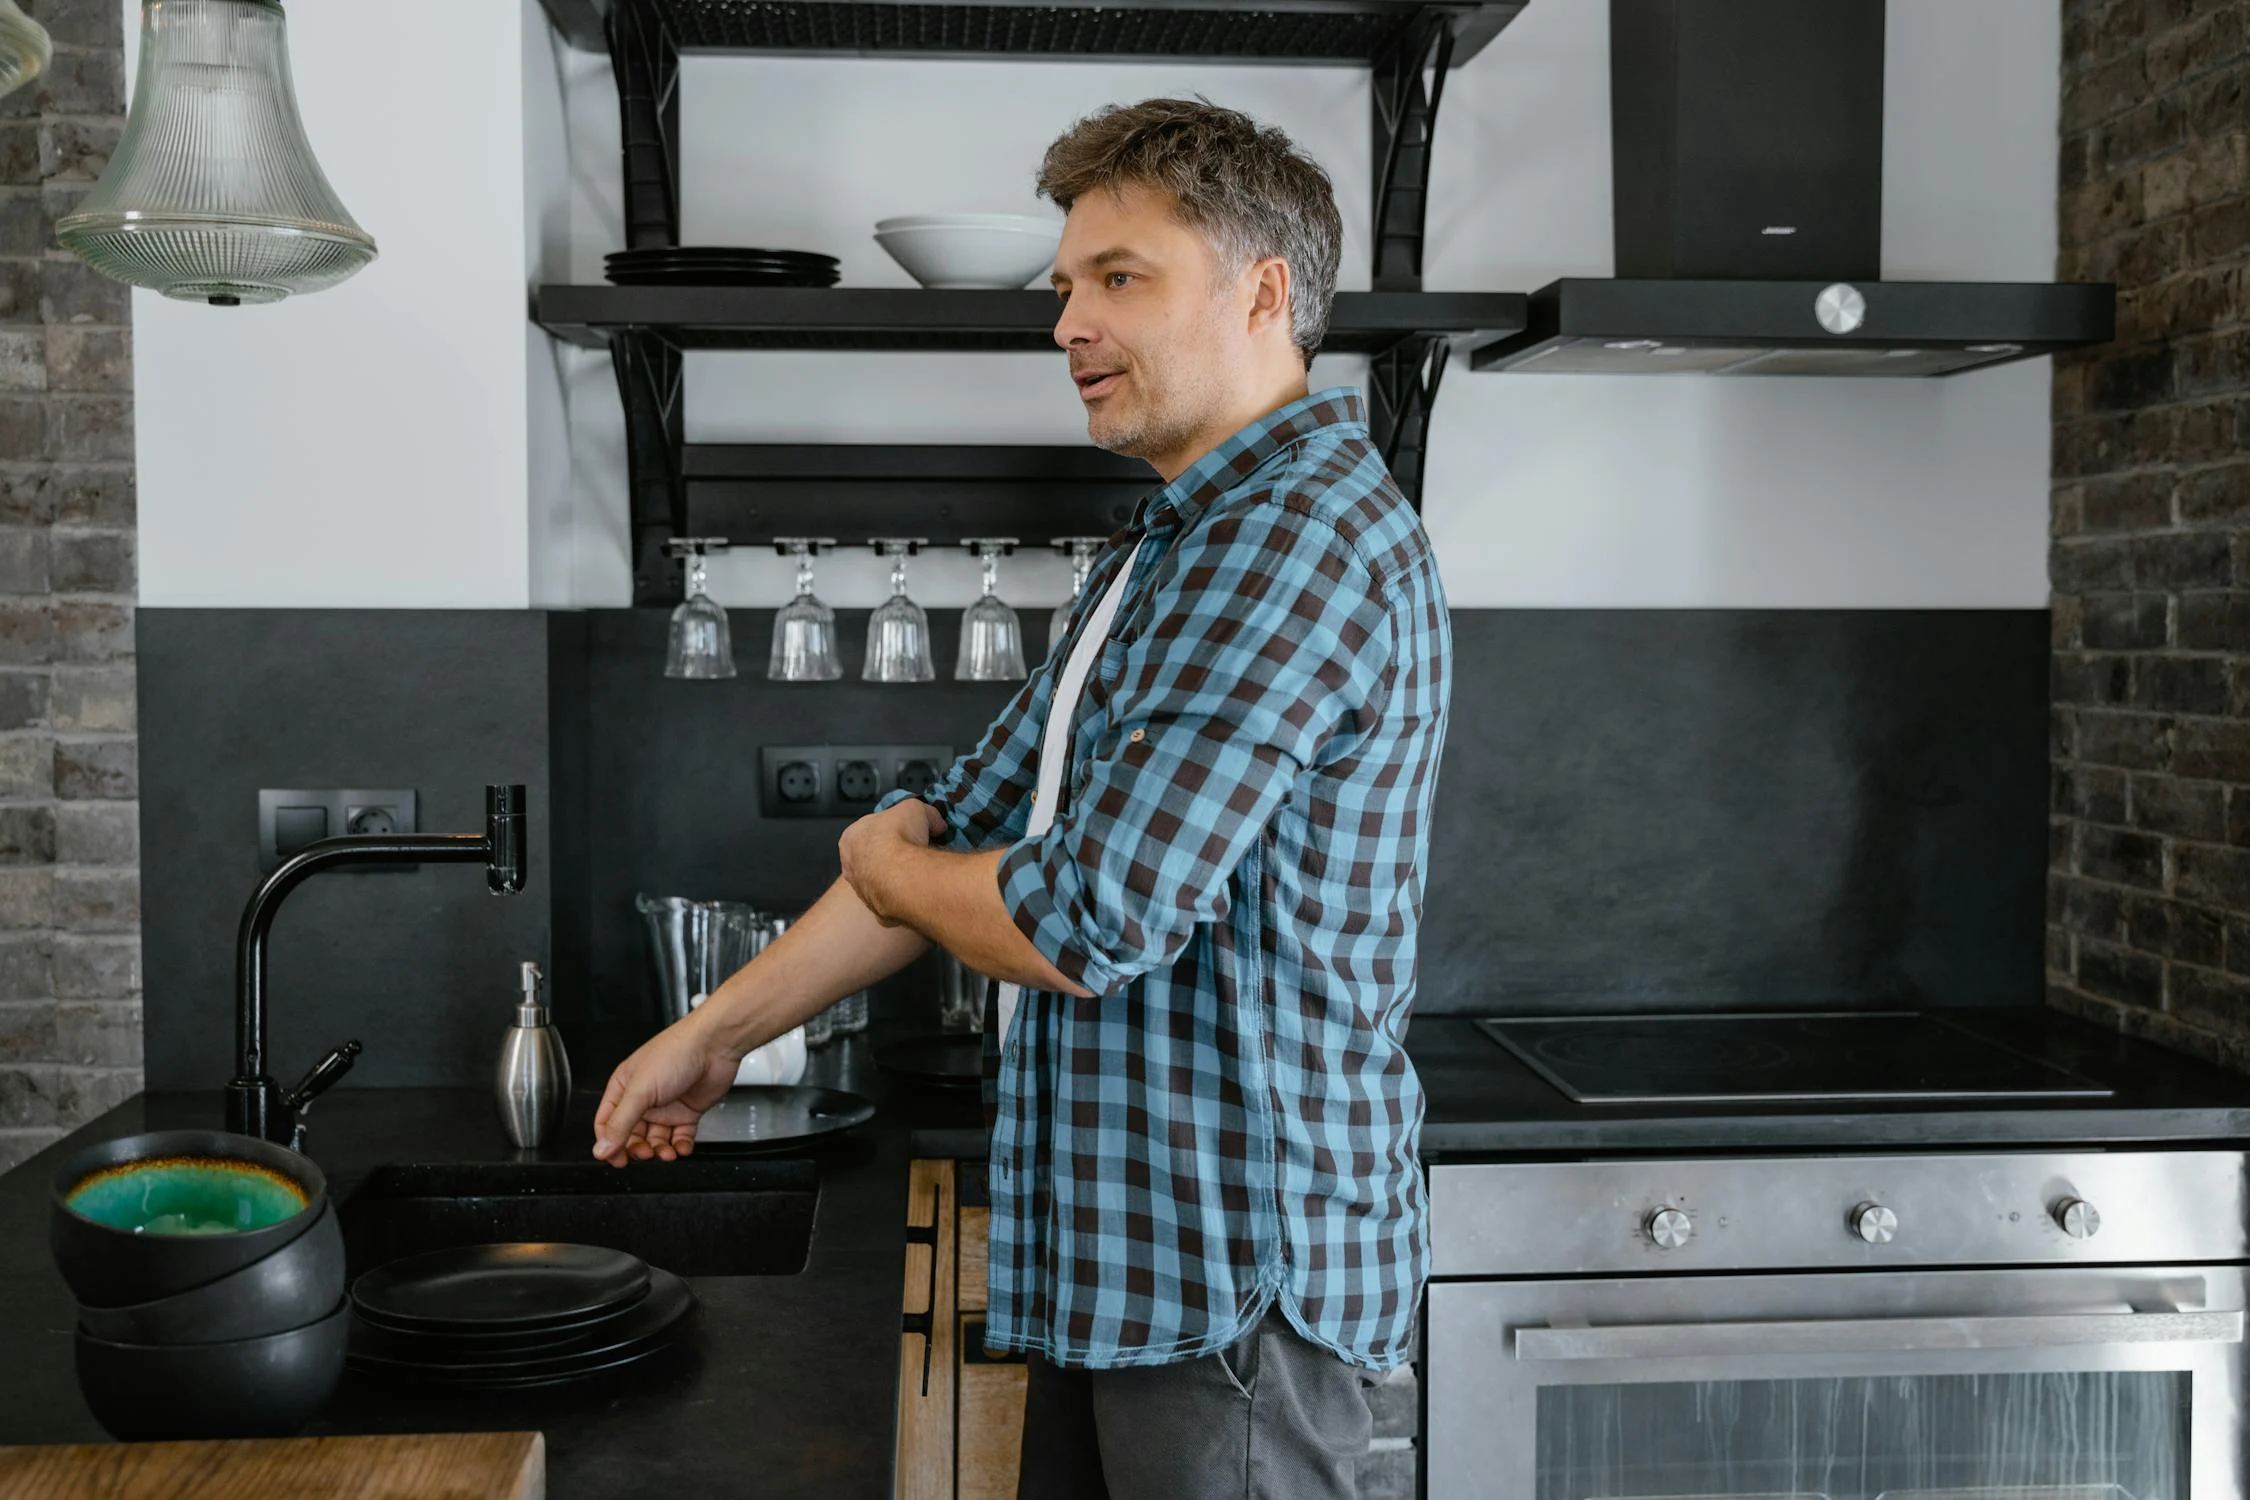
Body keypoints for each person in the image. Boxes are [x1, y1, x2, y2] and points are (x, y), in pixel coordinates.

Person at [592, 96, 1452, 1499]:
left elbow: (1080, 919)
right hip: (1125, 1265)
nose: (1066, 326)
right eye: (1064, 287)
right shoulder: (1171, 543)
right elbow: (968, 821)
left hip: (1230, 1279)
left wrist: (890, 865)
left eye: (1120, 279)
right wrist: (715, 1033)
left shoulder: (1291, 539)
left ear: (1264, 292)